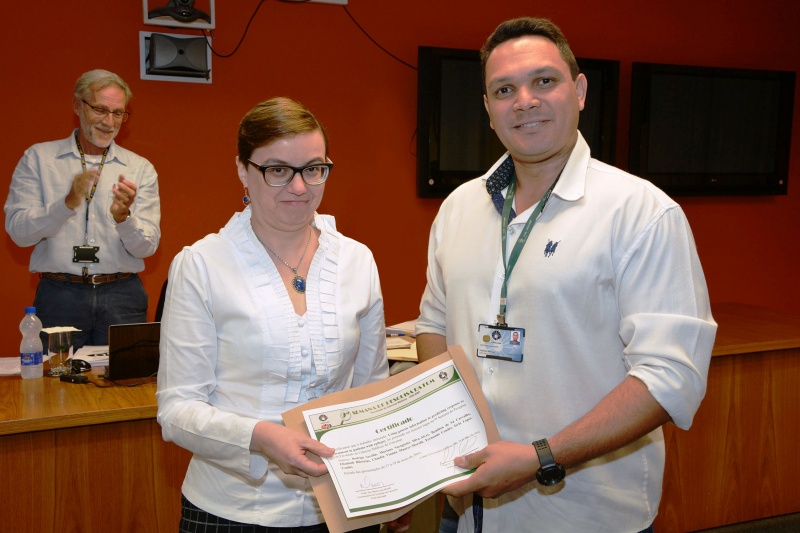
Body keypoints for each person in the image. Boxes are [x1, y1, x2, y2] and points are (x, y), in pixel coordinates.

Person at [415, 17, 717, 533]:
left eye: (544, 81)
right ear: (488, 110)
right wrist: (449, 431)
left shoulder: (641, 212)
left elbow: (671, 376)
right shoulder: (459, 208)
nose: (525, 101)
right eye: (504, 89)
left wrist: (540, 457)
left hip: (586, 513)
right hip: (469, 508)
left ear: (579, 91)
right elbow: (432, 327)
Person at [156, 97, 389, 533]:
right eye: (278, 170)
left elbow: (371, 390)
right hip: (233, 511)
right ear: (243, 171)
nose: (300, 187)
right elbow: (177, 409)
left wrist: (388, 483)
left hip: (340, 507)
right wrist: (262, 438)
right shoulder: (202, 264)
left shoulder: (357, 261)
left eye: (314, 168)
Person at [5, 69, 160, 349]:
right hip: (59, 295)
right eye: (100, 110)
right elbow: (19, 233)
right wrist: (65, 205)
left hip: (122, 296)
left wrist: (123, 218)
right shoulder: (39, 158)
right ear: (77, 105)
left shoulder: (140, 168)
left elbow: (147, 247)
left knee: (125, 389)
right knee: (57, 386)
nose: (109, 122)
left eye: (118, 113)